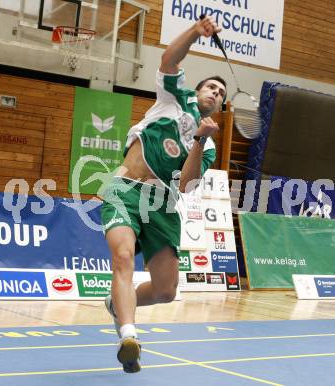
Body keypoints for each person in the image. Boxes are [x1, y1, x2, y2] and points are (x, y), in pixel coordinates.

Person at [100, 16, 227, 373]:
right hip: (125, 191)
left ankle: (116, 303)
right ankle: (128, 335)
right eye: (211, 88)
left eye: (220, 94)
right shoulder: (174, 98)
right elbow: (169, 60)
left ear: (218, 107)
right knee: (123, 257)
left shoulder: (209, 145)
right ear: (198, 91)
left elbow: (186, 184)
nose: (215, 94)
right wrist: (194, 32)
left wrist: (200, 139)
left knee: (165, 291)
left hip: (163, 206)